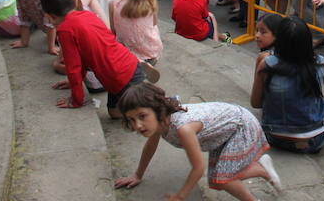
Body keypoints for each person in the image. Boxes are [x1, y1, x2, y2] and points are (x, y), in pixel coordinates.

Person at [114, 82, 282, 200]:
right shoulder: (160, 122)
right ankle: (262, 169)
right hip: (222, 133)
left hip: (240, 126)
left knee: (222, 179)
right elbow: (150, 146)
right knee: (218, 179)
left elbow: (198, 168)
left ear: (158, 109)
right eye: (131, 120)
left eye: (142, 116)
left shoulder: (183, 128)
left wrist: (180, 196)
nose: (138, 125)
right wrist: (138, 174)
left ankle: (257, 183)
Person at [41, 0, 155, 117]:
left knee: (141, 111)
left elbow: (73, 67)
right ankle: (141, 79)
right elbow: (82, 59)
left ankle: (153, 96)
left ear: (50, 16)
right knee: (114, 113)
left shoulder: (65, 30)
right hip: (124, 65)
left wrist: (76, 100)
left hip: (119, 76)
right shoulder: (87, 15)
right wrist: (73, 83)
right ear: (74, 0)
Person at [251, 16, 324, 153]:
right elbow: (314, 100)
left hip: (273, 136)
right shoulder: (319, 63)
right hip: (312, 141)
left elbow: (256, 103)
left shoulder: (267, 63)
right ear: (307, 41)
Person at [110, 0, 163, 65]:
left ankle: (136, 64)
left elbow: (113, 30)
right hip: (152, 50)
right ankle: (145, 63)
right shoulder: (150, 0)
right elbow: (154, 23)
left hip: (127, 51)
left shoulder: (114, 3)